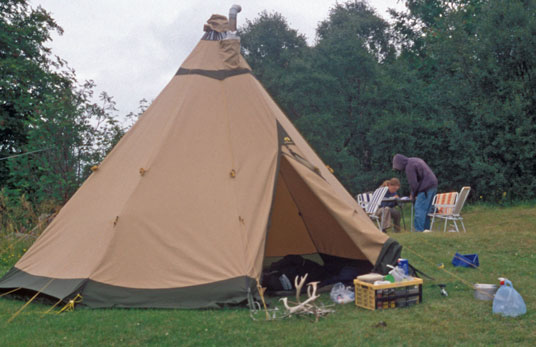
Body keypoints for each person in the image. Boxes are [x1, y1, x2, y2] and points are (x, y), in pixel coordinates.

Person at [392, 154, 438, 232]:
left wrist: (413, 195)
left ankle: (418, 230)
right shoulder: (414, 160)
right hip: (433, 185)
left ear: (400, 163)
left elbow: (413, 183)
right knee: (427, 210)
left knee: (419, 208)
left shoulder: (409, 166)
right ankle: (426, 230)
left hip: (425, 188)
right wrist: (414, 193)